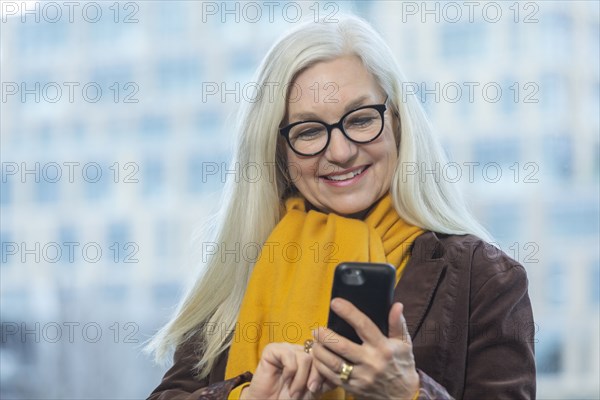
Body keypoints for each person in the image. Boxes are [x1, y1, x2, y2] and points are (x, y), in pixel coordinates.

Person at [146, 15, 536, 400]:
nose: (341, 151)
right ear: (279, 152)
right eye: (310, 131)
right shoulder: (244, 265)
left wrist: (408, 394)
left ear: (398, 123)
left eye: (362, 119)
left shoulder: (485, 279)